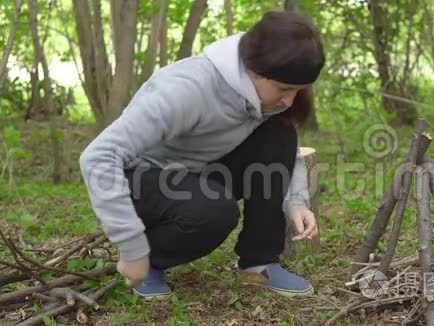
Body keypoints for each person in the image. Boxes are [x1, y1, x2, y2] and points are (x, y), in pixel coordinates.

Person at [79, 11, 325, 299]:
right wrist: (132, 247)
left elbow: (281, 150)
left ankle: (258, 262)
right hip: (140, 178)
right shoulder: (187, 88)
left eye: (298, 90)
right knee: (214, 211)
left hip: (195, 170)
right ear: (254, 69)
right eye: (284, 89)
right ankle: (149, 260)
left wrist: (295, 203)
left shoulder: (266, 95)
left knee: (278, 132)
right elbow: (98, 157)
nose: (290, 100)